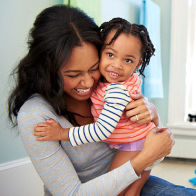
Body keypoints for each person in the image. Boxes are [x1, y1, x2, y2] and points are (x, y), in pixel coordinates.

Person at [7, 4, 195, 196]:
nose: (88, 82)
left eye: (93, 68)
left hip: (132, 173)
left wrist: (153, 114)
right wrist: (145, 159)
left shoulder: (109, 82)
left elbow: (146, 138)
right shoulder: (35, 115)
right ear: (47, 70)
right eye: (73, 74)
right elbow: (72, 193)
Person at [33, 17, 161, 196]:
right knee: (132, 192)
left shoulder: (116, 91)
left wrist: (61, 133)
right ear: (100, 51)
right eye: (110, 55)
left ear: (138, 64)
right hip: (141, 140)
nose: (116, 65)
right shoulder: (122, 81)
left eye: (128, 60)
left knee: (115, 191)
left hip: (134, 145)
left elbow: (102, 130)